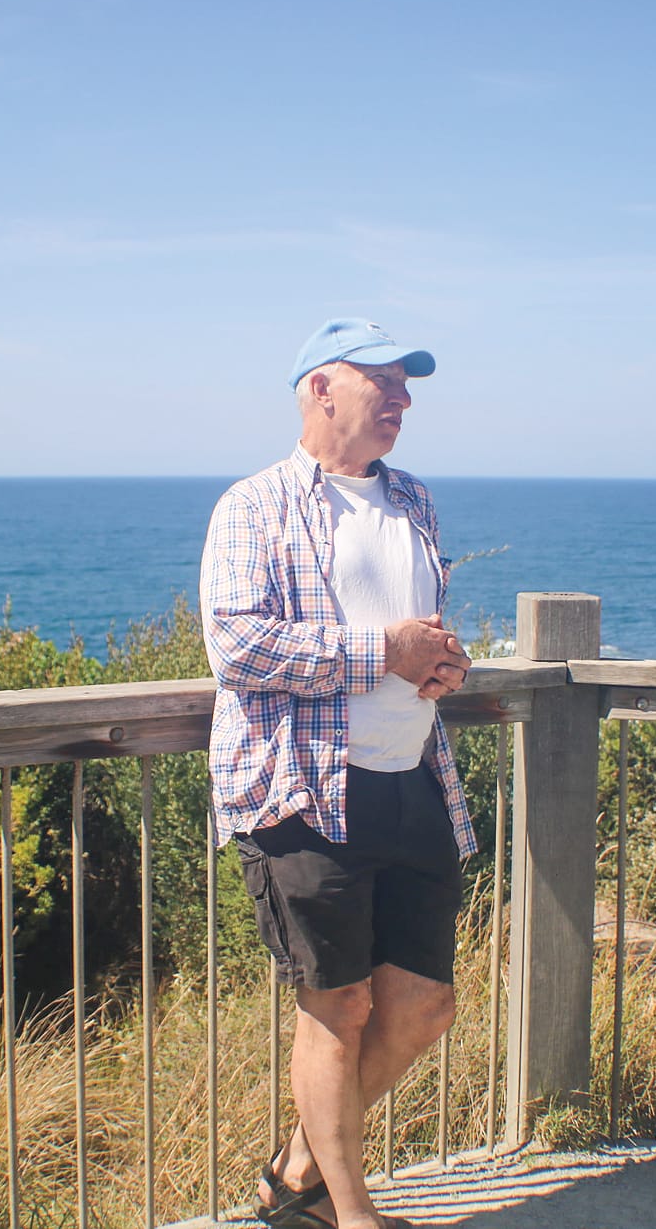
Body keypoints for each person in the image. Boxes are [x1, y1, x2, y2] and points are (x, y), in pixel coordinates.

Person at [200, 319, 474, 1229]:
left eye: (406, 384)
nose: (402, 399)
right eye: (382, 381)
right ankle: (349, 1215)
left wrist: (438, 663)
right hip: (306, 787)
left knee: (424, 1002)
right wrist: (380, 653)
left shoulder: (414, 500)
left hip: (413, 774)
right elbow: (238, 644)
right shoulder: (255, 504)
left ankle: (295, 1171)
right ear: (321, 388)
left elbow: (412, 635)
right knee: (338, 1004)